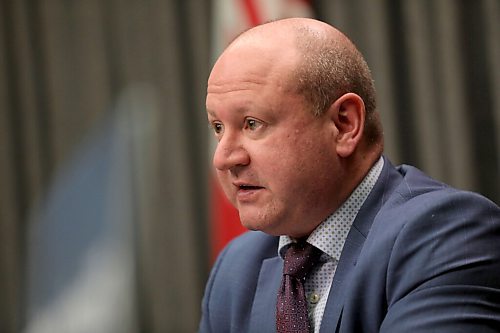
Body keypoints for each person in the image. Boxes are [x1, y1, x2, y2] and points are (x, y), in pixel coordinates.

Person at [199, 18, 500, 333]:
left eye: (251, 123)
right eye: (218, 128)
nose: (223, 158)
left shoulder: (449, 235)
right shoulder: (235, 269)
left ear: (344, 124)